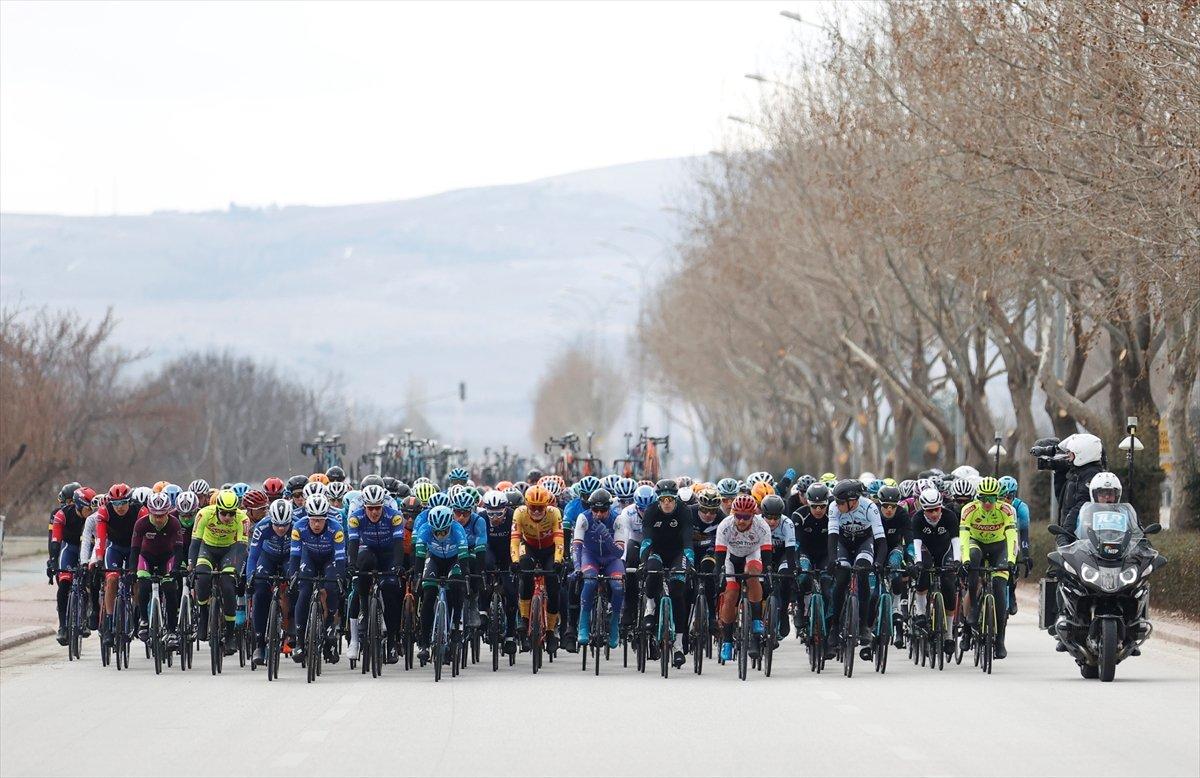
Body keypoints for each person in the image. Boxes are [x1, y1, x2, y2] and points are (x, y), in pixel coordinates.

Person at [959, 476, 1017, 659]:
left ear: (998, 498)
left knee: (1000, 588)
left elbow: (1012, 536)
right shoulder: (968, 510)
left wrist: (1012, 561)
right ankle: (971, 619)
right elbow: (964, 538)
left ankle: (1000, 640)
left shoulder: (1007, 510)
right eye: (983, 498)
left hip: (999, 547)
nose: (987, 503)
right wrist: (965, 560)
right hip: (977, 545)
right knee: (973, 560)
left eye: (991, 498)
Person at [346, 484, 405, 664]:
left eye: (377, 508)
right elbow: (353, 544)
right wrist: (351, 565)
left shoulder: (394, 516)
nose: (374, 512)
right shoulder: (356, 518)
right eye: (370, 508)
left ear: (382, 505)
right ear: (364, 506)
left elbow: (398, 544)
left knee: (390, 591)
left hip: (388, 553)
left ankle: (392, 642)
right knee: (362, 570)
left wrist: (397, 565)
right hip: (368, 551)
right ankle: (365, 609)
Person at [638, 479, 693, 669]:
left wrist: (689, 560)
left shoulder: (684, 511)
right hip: (656, 551)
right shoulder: (652, 511)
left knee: (678, 590)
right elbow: (646, 540)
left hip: (677, 553)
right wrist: (644, 561)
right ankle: (650, 607)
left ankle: (678, 646)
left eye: (670, 499)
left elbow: (687, 539)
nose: (667, 503)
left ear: (676, 499)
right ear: (658, 500)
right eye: (663, 499)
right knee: (652, 571)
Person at [826, 479, 886, 647]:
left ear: (852, 501)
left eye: (840, 502)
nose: (836, 505)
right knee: (842, 578)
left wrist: (879, 562)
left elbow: (881, 540)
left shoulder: (870, 508)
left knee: (863, 574)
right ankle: (835, 626)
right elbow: (832, 537)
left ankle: (864, 626)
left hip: (864, 543)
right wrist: (832, 560)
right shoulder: (833, 508)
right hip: (843, 544)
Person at [288, 494, 346, 664]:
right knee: (304, 591)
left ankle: (329, 627)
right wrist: (293, 576)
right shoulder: (299, 527)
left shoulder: (336, 529)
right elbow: (294, 557)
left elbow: (340, 559)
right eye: (313, 520)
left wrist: (340, 579)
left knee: (332, 585)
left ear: (326, 518)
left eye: (320, 520)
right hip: (309, 558)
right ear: (308, 517)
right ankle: (299, 640)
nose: (316, 524)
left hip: (330, 559)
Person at [188, 489, 248, 653]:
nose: (228, 517)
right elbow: (194, 544)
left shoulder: (243, 519)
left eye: (231, 513)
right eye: (224, 513)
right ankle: (203, 614)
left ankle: (229, 634)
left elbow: (242, 549)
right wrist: (191, 568)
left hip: (230, 550)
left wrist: (237, 570)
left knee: (228, 586)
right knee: (203, 578)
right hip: (207, 548)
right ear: (216, 509)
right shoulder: (204, 514)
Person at [715, 494, 773, 661]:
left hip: (751, 555)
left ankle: (756, 619)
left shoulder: (761, 526)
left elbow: (767, 554)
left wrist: (768, 572)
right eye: (738, 516)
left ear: (753, 516)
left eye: (746, 517)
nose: (741, 520)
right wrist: (719, 576)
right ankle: (727, 641)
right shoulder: (725, 526)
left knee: (753, 574)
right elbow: (719, 556)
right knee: (731, 594)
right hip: (730, 557)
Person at [509, 485, 564, 652]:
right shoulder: (519, 513)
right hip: (530, 547)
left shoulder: (555, 513)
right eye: (533, 507)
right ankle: (525, 620)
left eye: (541, 508)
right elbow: (515, 541)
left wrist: (557, 561)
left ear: (547, 505)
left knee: (553, 586)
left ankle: (550, 632)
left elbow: (560, 541)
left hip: (549, 550)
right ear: (527, 504)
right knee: (525, 574)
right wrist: (515, 561)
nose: (537, 511)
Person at [95, 483, 148, 647]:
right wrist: (98, 558)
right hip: (115, 548)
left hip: (135, 547)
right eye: (115, 503)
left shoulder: (140, 511)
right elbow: (100, 538)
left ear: (129, 501)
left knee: (138, 578)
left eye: (123, 502)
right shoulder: (105, 511)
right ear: (111, 503)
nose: (120, 507)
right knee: (111, 579)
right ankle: (110, 624)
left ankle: (138, 610)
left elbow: (146, 539)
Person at [414, 505, 470, 663]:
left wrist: (465, 576)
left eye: (444, 532)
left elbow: (464, 556)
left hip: (454, 561)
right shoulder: (425, 529)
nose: (440, 535)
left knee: (456, 587)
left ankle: (456, 626)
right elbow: (419, 557)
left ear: (449, 526)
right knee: (429, 595)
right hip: (434, 560)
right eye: (436, 532)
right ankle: (424, 644)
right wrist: (418, 577)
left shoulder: (458, 529)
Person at [571, 489, 625, 649]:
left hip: (611, 558)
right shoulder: (584, 518)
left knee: (618, 586)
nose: (599, 514)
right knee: (589, 582)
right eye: (595, 510)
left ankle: (614, 623)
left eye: (603, 510)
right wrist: (577, 568)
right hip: (590, 557)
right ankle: (583, 625)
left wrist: (607, 537)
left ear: (609, 508)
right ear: (590, 508)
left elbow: (619, 552)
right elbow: (577, 547)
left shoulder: (618, 519)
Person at [909, 487, 961, 656]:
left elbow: (955, 541)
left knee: (949, 587)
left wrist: (958, 561)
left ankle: (948, 636)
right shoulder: (917, 519)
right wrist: (917, 562)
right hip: (926, 551)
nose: (934, 514)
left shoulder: (949, 516)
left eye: (937, 509)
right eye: (929, 510)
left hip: (945, 551)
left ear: (941, 506)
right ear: (923, 509)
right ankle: (921, 612)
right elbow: (916, 543)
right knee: (923, 575)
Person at [247, 499, 295, 667]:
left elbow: (302, 554)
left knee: (295, 586)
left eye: (284, 525)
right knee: (260, 592)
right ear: (271, 521)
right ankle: (259, 644)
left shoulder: (297, 526)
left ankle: (292, 629)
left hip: (289, 558)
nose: (281, 529)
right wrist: (250, 577)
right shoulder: (262, 526)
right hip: (267, 558)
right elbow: (253, 556)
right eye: (277, 525)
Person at [130, 492, 184, 642]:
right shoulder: (141, 523)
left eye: (162, 515)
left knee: (170, 589)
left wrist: (175, 569)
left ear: (168, 512)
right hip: (145, 557)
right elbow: (134, 550)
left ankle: (172, 630)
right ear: (149, 512)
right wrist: (132, 571)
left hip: (167, 558)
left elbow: (179, 550)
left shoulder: (174, 523)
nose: (159, 519)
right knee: (144, 586)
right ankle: (144, 620)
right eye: (155, 515)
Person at [49, 486, 96, 644]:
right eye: (89, 508)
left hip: (87, 548)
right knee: (64, 584)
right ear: (79, 505)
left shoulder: (92, 518)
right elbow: (55, 539)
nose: (92, 511)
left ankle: (83, 619)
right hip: (69, 548)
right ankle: (63, 626)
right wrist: (53, 561)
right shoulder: (62, 514)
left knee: (87, 583)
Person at [760, 494, 797, 640]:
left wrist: (792, 572)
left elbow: (790, 551)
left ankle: (782, 614)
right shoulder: (757, 522)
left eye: (776, 517)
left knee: (785, 576)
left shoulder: (787, 524)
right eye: (769, 517)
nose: (773, 521)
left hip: (782, 554)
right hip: (763, 553)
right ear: (763, 514)